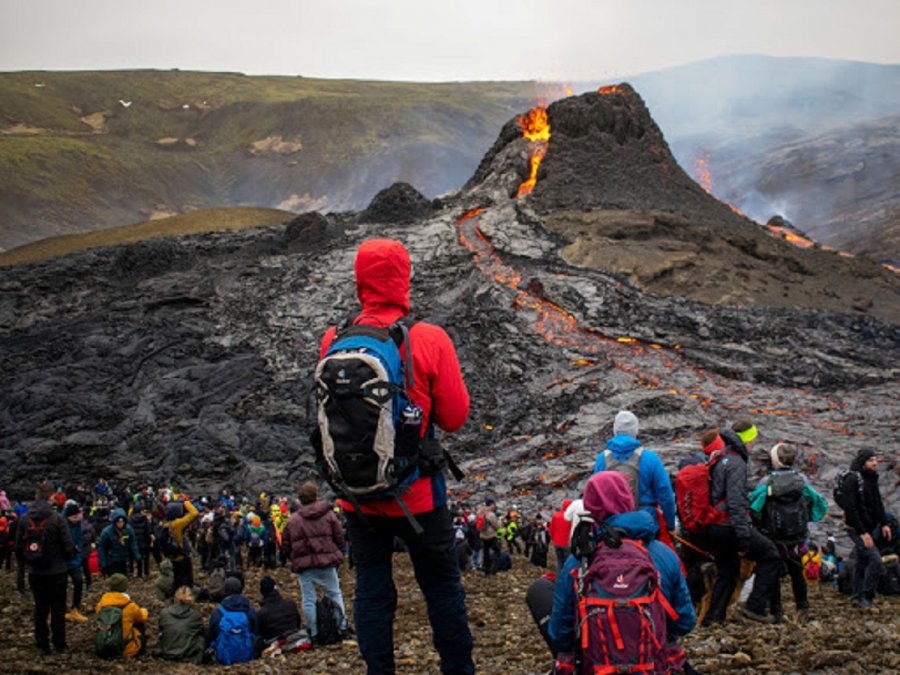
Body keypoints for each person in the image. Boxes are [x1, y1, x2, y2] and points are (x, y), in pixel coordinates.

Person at [317, 238, 473, 674]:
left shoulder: (335, 339)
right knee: (442, 588)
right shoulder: (426, 339)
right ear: (403, 279)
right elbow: (456, 417)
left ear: (360, 280)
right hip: (419, 495)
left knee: (372, 587)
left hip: (357, 496)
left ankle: (379, 670)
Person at [538, 472, 695, 671]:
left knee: (539, 591)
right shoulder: (665, 554)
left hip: (597, 667)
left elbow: (560, 632)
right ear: (629, 501)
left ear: (591, 508)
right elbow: (685, 621)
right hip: (652, 665)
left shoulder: (578, 560)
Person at [703, 427, 781, 625]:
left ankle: (712, 619)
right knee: (771, 555)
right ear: (747, 440)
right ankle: (755, 606)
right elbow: (736, 501)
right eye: (753, 439)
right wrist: (744, 535)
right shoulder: (736, 463)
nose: (754, 443)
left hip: (715, 526)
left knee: (727, 573)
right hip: (729, 525)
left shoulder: (721, 458)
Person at [749, 442, 827, 621]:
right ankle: (802, 607)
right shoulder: (802, 480)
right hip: (798, 536)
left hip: (774, 536)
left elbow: (755, 506)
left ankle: (776, 610)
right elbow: (817, 503)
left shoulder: (766, 482)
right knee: (797, 571)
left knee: (774, 572)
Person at [281, 481, 350, 643]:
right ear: (315, 496)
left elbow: (285, 544)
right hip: (327, 562)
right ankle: (341, 627)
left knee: (308, 599)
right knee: (334, 593)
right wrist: (339, 553)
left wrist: (293, 557)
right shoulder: (328, 515)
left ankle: (313, 632)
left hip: (305, 566)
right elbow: (339, 535)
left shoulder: (293, 520)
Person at [592, 410, 678, 536]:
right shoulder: (650, 458)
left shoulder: (602, 459)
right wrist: (670, 525)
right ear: (635, 431)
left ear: (615, 431)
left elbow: (595, 497)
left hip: (613, 526)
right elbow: (666, 495)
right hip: (646, 526)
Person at [16, 482, 76, 656]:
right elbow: (68, 545)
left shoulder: (24, 518)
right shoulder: (57, 519)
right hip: (57, 570)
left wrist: (30, 561)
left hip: (35, 571)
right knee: (58, 608)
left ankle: (42, 644)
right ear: (51, 498)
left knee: (40, 608)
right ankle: (59, 643)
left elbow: (19, 547)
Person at [839, 448, 892, 609]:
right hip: (856, 527)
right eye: (871, 460)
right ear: (863, 462)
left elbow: (877, 503)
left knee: (862, 561)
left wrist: (884, 523)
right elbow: (851, 509)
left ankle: (856, 596)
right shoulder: (852, 480)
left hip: (870, 526)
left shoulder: (871, 478)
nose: (875, 463)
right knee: (875, 561)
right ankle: (867, 596)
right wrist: (863, 534)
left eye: (875, 459)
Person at [95, 572, 149, 658]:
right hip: (126, 649)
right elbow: (142, 618)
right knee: (139, 625)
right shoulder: (130, 606)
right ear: (125, 587)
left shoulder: (101, 605)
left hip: (103, 648)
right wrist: (144, 610)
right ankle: (141, 649)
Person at [207, 576, 258, 662]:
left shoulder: (218, 612)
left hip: (223, 654)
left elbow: (211, 634)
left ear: (225, 591)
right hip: (247, 653)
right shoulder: (249, 610)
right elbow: (256, 630)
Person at [154, 585, 206, 663]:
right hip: (187, 654)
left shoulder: (164, 613)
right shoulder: (195, 616)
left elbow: (161, 630)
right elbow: (201, 631)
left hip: (166, 652)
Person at [157, 497, 199, 593]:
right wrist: (186, 502)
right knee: (187, 581)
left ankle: (174, 597)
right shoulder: (177, 524)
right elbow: (194, 513)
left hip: (173, 557)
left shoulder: (164, 524)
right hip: (182, 557)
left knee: (177, 580)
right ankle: (185, 598)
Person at [256, 575, 302, 654]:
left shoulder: (262, 613)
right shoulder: (290, 604)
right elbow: (298, 623)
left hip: (274, 642)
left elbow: (261, 632)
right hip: (294, 636)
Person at [62, 504, 88, 622]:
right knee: (60, 586)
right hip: (61, 560)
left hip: (74, 560)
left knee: (78, 581)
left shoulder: (77, 525)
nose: (76, 518)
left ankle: (75, 608)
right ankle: (59, 610)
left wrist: (78, 556)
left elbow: (79, 540)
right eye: (73, 517)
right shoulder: (61, 525)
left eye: (77, 516)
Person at [97, 508, 141, 577]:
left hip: (124, 560)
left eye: (122, 522)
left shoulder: (128, 530)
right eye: (118, 522)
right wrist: (103, 564)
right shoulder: (107, 532)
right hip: (111, 561)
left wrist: (137, 555)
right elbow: (101, 548)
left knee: (124, 580)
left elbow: (133, 542)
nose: (121, 524)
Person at [547, 498, 573, 578]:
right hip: (567, 543)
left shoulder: (556, 515)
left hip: (557, 543)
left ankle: (558, 577)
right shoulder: (571, 517)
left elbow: (551, 529)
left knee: (559, 561)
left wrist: (553, 539)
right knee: (568, 562)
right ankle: (566, 579)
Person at [480, 499, 501, 576]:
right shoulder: (491, 514)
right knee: (497, 552)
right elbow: (497, 526)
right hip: (491, 536)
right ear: (491, 505)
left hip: (483, 536)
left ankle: (486, 570)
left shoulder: (480, 513)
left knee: (486, 553)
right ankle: (493, 570)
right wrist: (500, 522)